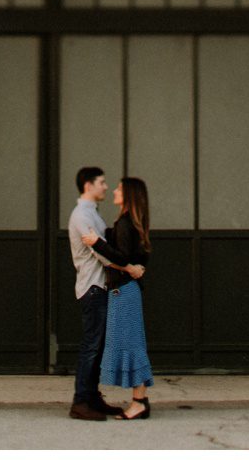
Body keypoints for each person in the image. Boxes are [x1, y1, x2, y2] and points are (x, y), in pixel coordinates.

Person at [66, 166, 142, 421]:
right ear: (88, 185)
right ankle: (81, 402)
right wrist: (130, 268)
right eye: (102, 182)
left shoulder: (92, 214)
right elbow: (102, 254)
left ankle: (91, 397)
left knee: (97, 346)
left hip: (100, 287)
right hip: (93, 287)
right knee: (91, 345)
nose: (106, 187)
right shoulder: (82, 216)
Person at [84, 176, 154, 419]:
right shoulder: (134, 223)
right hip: (128, 289)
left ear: (129, 195)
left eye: (119, 189)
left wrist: (96, 243)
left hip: (122, 290)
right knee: (133, 345)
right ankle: (140, 400)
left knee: (131, 346)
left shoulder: (125, 223)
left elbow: (122, 257)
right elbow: (140, 257)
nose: (114, 191)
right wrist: (136, 267)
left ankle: (139, 403)